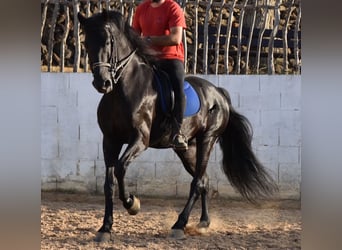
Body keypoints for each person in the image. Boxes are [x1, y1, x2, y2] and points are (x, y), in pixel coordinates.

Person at [132, 0, 188, 150]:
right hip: (148, 59)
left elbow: (176, 38)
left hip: (171, 59)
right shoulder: (141, 9)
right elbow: (134, 37)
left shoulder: (173, 8)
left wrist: (148, 40)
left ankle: (177, 133)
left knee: (178, 90)